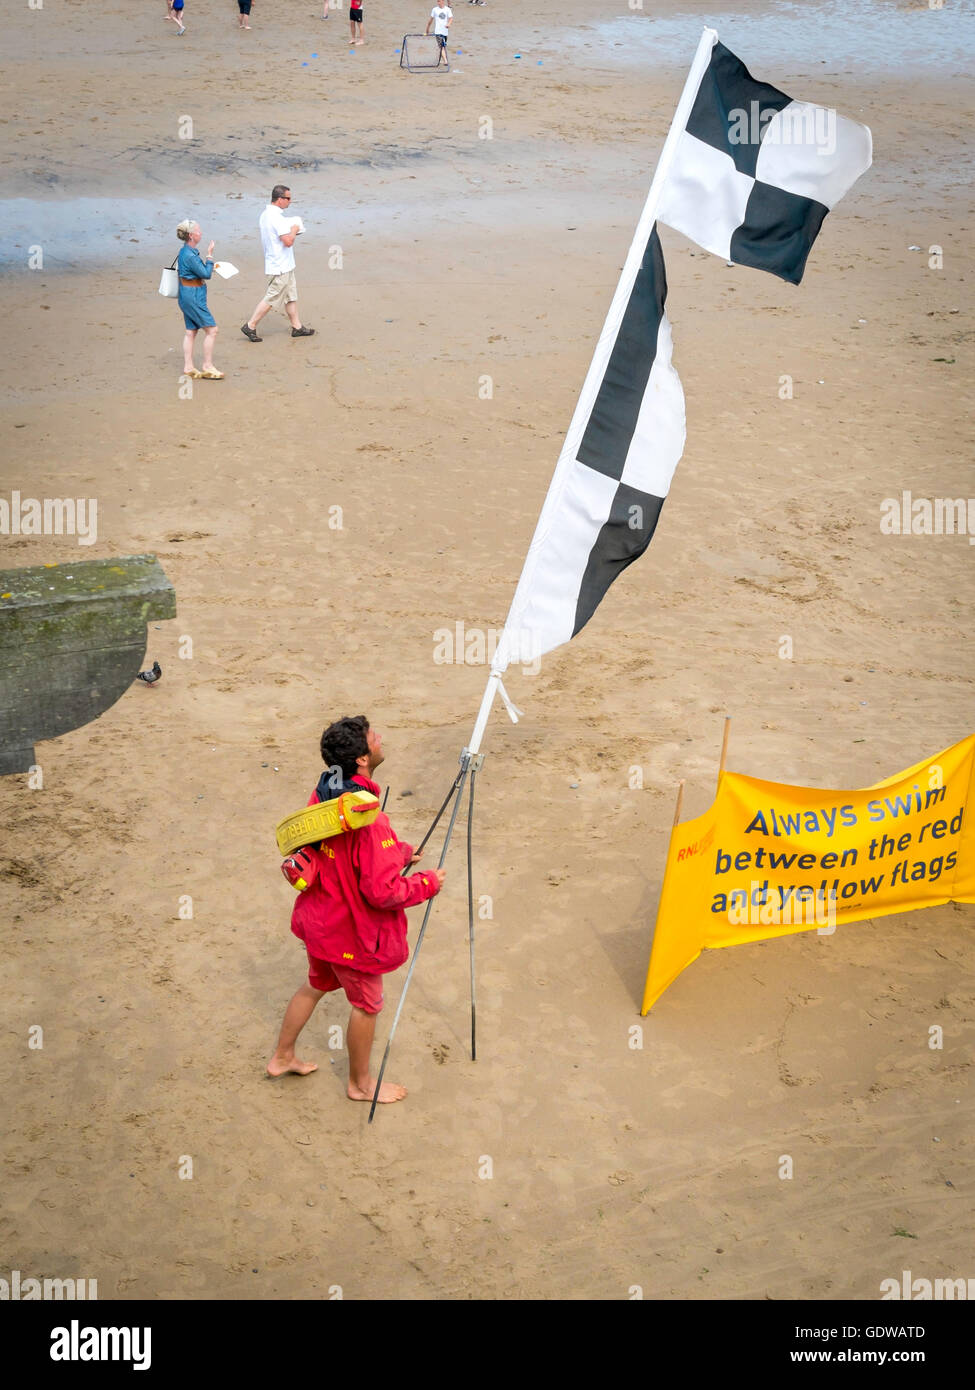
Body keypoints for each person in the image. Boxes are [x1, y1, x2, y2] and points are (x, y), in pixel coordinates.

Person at [267, 716, 445, 1103]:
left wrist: (398, 852)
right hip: (350, 934)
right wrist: (427, 884)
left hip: (319, 921)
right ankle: (361, 1085)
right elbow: (382, 892)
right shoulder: (371, 821)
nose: (381, 739)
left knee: (314, 985)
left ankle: (282, 1057)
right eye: (374, 738)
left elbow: (347, 857)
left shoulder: (324, 791)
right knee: (367, 1006)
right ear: (363, 760)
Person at [241, 185, 315, 342]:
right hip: (279, 265)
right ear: (280, 199)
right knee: (272, 297)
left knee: (290, 296)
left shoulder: (266, 214)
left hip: (283, 263)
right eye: (288, 198)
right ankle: (251, 325)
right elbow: (288, 241)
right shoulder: (276, 217)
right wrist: (295, 229)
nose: (290, 201)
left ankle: (297, 327)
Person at [175, 220, 224, 379]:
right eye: (198, 231)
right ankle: (207, 366)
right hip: (193, 296)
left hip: (187, 294)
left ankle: (188, 366)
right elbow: (205, 274)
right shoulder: (190, 255)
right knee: (212, 330)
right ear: (191, 235)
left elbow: (198, 271)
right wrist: (210, 255)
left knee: (191, 331)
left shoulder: (185, 251)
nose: (200, 233)